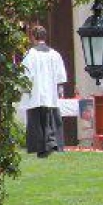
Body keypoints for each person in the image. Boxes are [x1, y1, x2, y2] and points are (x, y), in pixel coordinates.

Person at [21, 26, 66, 158]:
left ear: (33, 37)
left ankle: (42, 147)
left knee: (38, 119)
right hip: (51, 93)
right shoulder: (55, 54)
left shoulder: (31, 54)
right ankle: (54, 143)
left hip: (37, 92)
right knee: (51, 117)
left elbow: (26, 75)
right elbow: (60, 76)